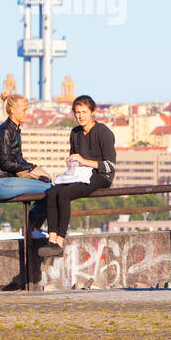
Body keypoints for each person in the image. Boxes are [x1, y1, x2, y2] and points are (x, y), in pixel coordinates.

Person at [39, 95, 116, 258]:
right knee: (52, 192)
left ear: (92, 112)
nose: (80, 116)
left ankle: (60, 241)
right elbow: (75, 157)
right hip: (79, 173)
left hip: (100, 175)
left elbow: (110, 165)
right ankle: (51, 238)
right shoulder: (75, 133)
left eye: (84, 112)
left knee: (65, 194)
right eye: (77, 112)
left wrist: (84, 161)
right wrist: (72, 162)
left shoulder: (103, 132)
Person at [0, 94, 53, 238]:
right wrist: (31, 168)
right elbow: (5, 163)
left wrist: (34, 171)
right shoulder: (5, 131)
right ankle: (31, 227)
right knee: (51, 191)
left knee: (49, 186)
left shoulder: (14, 130)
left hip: (7, 181)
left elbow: (18, 159)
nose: (26, 114)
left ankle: (31, 227)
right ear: (12, 110)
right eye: (23, 110)